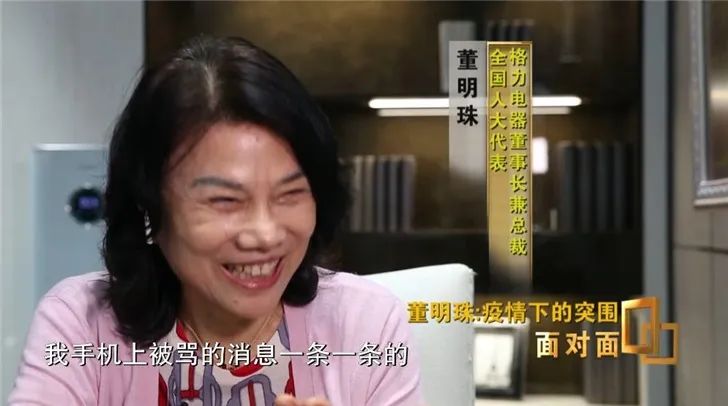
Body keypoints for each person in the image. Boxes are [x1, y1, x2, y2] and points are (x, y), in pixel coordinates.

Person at [8, 35, 423, 406]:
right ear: (148, 206)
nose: (265, 234)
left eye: (290, 194)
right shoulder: (81, 325)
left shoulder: (365, 325)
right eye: (226, 201)